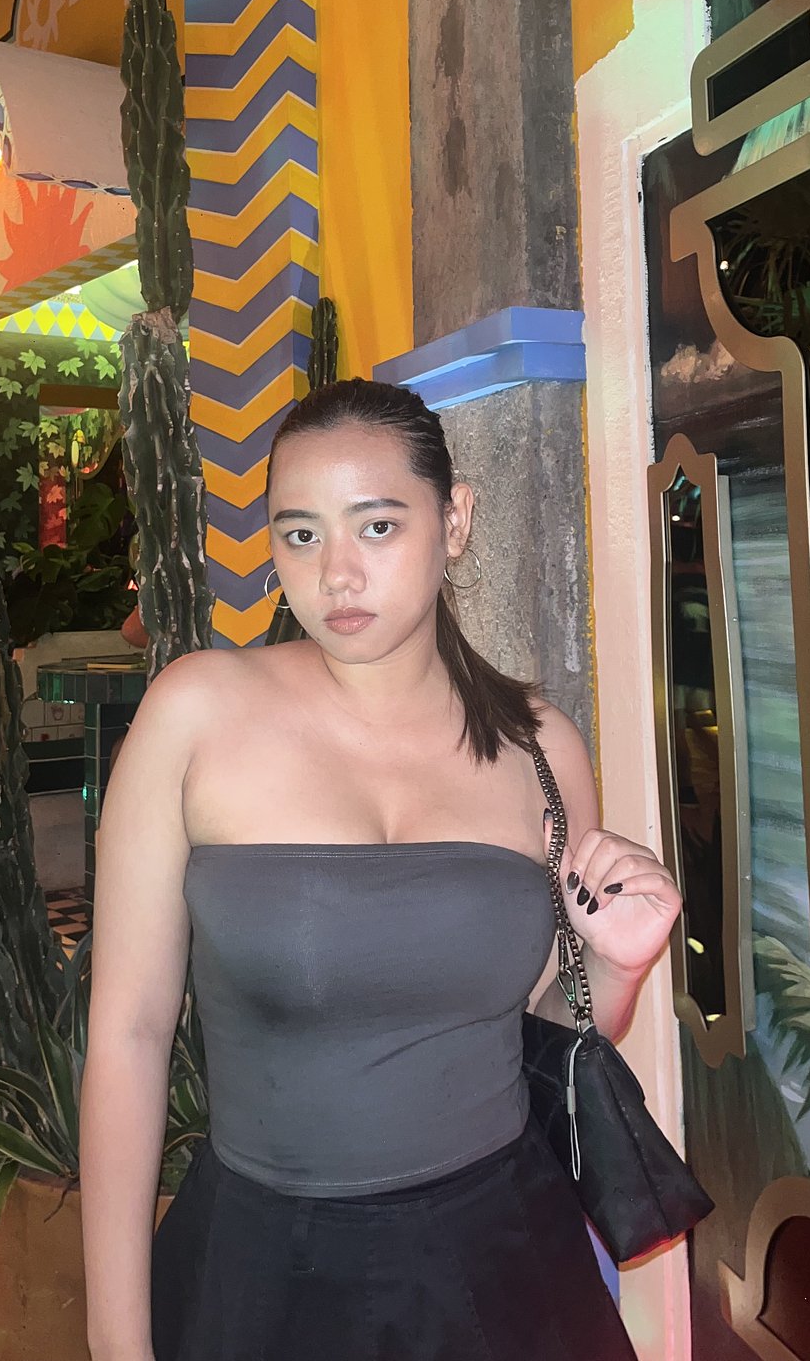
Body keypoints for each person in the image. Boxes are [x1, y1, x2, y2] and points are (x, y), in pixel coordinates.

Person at [80, 379, 683, 1361]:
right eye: (301, 535)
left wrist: (616, 963)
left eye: (377, 526)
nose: (337, 575)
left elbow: (550, 1028)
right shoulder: (197, 714)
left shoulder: (541, 748)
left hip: (504, 1263)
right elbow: (129, 1033)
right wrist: (116, 1341)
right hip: (262, 1268)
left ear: (455, 522)